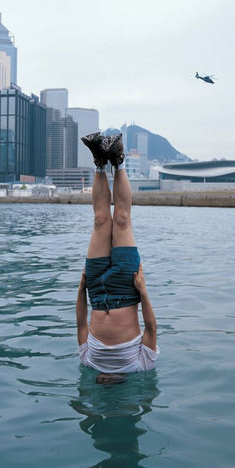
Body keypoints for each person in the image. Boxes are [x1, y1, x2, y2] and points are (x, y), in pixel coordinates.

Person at [76, 132, 158, 381]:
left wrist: (81, 289)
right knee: (121, 219)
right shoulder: (141, 366)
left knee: (101, 220)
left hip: (97, 292)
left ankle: (101, 161)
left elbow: (81, 324)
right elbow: (152, 328)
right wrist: (143, 291)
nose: (106, 382)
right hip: (127, 289)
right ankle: (119, 160)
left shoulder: (88, 362)